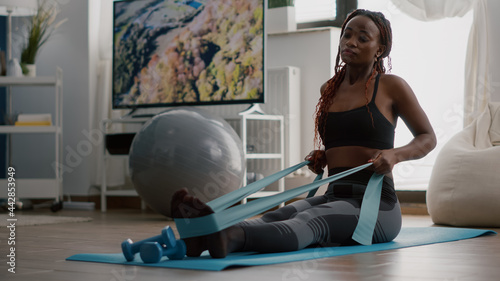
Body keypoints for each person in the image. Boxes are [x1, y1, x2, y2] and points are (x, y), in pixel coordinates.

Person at [171, 9, 437, 258]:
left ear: (379, 50)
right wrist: (325, 155)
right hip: (335, 194)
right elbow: (344, 141)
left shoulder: (392, 86)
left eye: (362, 38)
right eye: (347, 34)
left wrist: (395, 155)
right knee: (275, 216)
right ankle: (204, 235)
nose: (351, 42)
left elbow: (427, 137)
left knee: (310, 222)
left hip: (376, 206)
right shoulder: (329, 90)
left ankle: (224, 237)